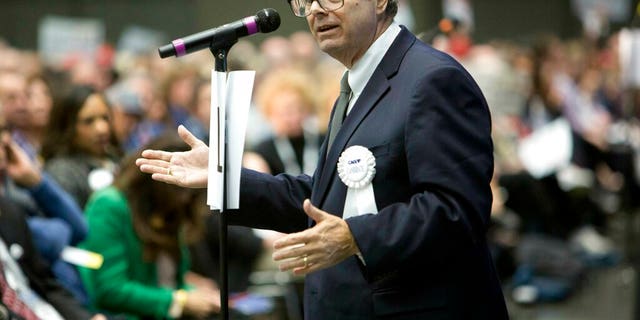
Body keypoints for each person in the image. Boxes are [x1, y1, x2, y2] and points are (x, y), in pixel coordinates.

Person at [137, 0, 509, 318]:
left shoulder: (431, 80)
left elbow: (456, 210)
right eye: (305, 0)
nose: (315, 9)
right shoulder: (356, 85)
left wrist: (354, 237)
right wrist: (223, 177)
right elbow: (323, 197)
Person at [79, 133, 221, 319]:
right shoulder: (109, 206)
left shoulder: (170, 211)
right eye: (180, 190)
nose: (185, 199)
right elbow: (110, 289)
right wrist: (180, 301)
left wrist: (197, 294)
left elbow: (166, 283)